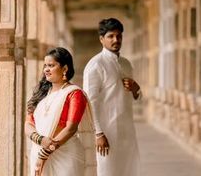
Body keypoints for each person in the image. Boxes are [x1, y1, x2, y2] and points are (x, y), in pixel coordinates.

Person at [25, 47, 96, 176]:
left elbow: (70, 128)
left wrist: (45, 153)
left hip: (66, 155)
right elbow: (28, 124)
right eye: (45, 65)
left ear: (64, 69)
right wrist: (41, 140)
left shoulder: (74, 93)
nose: (46, 69)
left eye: (51, 65)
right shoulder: (42, 94)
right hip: (39, 149)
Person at [83, 18, 141, 176]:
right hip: (107, 132)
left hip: (127, 130)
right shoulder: (95, 65)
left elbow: (136, 96)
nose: (116, 40)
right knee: (106, 171)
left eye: (119, 36)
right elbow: (89, 102)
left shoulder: (126, 64)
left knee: (129, 170)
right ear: (101, 39)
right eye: (111, 36)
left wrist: (136, 89)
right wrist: (99, 133)